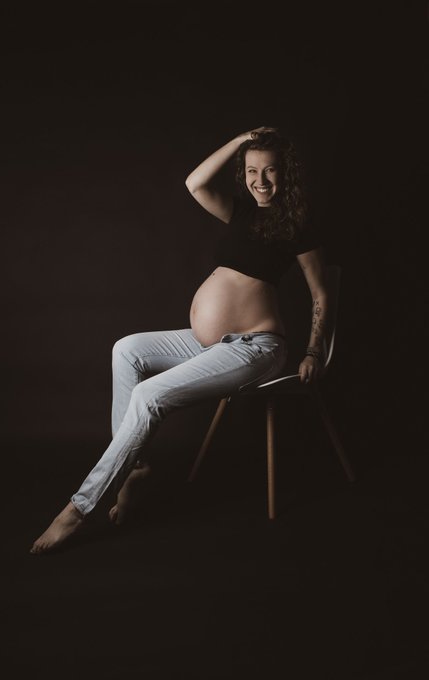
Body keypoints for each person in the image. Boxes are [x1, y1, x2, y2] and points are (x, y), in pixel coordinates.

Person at [30, 126, 328, 554]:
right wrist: (241, 141)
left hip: (256, 348)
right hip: (213, 344)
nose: (261, 180)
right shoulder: (241, 213)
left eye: (270, 170)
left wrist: (314, 351)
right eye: (251, 171)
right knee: (127, 349)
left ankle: (78, 509)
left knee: (149, 395)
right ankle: (134, 466)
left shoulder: (297, 223)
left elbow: (321, 293)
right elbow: (195, 183)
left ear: (286, 173)